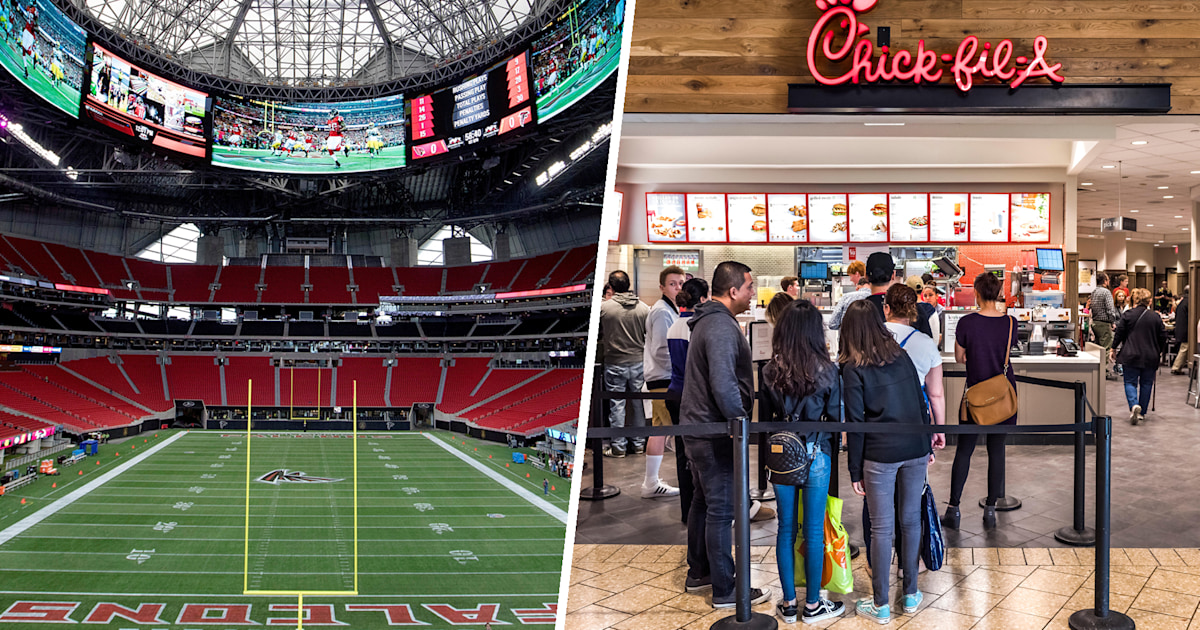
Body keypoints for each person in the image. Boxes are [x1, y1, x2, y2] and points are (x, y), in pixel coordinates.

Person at [680, 261, 771, 608]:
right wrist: (739, 421)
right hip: (714, 430)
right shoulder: (719, 325)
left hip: (700, 426)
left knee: (703, 503)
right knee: (721, 510)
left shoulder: (711, 320)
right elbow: (723, 382)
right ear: (733, 291)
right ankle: (725, 588)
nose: (752, 294)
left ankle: (700, 572)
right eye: (749, 287)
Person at [840, 300, 932, 624]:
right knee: (910, 522)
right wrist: (928, 441)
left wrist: (854, 470)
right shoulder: (901, 355)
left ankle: (879, 604)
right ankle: (910, 595)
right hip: (915, 446)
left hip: (879, 454)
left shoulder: (853, 368)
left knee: (881, 529)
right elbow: (920, 400)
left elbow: (855, 423)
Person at [759, 300, 844, 624]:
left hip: (781, 457)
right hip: (816, 455)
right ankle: (812, 605)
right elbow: (835, 420)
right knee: (812, 533)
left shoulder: (769, 371)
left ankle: (789, 604)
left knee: (784, 530)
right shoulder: (828, 370)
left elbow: (765, 423)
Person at [943, 271, 1018, 531]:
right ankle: (990, 510)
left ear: (975, 292)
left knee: (964, 450)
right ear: (997, 293)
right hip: (1004, 395)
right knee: (997, 451)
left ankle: (953, 509)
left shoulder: (966, 323)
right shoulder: (1010, 323)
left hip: (974, 395)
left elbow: (959, 358)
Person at [885, 284, 946, 455]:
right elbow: (936, 394)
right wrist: (939, 429)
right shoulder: (925, 342)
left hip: (878, 421)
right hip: (915, 419)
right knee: (915, 478)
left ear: (887, 308)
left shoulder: (869, 337)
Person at [666, 278, 708, 522]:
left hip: (675, 390)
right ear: (702, 299)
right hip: (690, 394)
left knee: (682, 454)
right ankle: (699, 509)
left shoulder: (675, 325)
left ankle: (688, 511)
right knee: (699, 455)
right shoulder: (696, 327)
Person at [642, 265, 685, 498]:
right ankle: (650, 482)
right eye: (672, 283)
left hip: (664, 375)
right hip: (662, 376)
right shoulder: (661, 311)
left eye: (680, 283)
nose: (677, 287)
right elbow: (661, 349)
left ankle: (651, 481)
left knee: (661, 428)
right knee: (660, 429)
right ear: (662, 287)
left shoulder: (670, 308)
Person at [598, 270, 649, 458]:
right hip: (638, 361)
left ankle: (618, 446)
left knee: (616, 405)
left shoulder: (605, 308)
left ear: (610, 287)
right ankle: (638, 444)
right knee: (638, 404)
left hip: (614, 362)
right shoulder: (644, 308)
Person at [1112, 288, 1167, 425]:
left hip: (1131, 354)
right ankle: (1142, 413)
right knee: (1147, 383)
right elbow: (1163, 337)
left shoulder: (1128, 315)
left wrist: (1113, 348)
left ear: (1135, 300)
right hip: (1150, 355)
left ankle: (1134, 405)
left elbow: (1119, 333)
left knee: (1130, 382)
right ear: (1149, 301)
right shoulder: (1155, 317)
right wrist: (1159, 351)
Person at [1089, 272, 1120, 380]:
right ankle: (1105, 372)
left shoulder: (1094, 292)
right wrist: (1112, 322)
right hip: (1104, 323)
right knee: (1106, 349)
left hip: (1095, 322)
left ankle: (1098, 370)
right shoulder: (1106, 292)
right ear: (1105, 281)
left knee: (1097, 349)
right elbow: (1110, 309)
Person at [1172, 287, 1190, 375]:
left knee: (1183, 348)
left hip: (1179, 328)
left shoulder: (1182, 302)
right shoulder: (1189, 302)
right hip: (1186, 329)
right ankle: (1176, 367)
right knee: (1184, 348)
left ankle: (1177, 367)